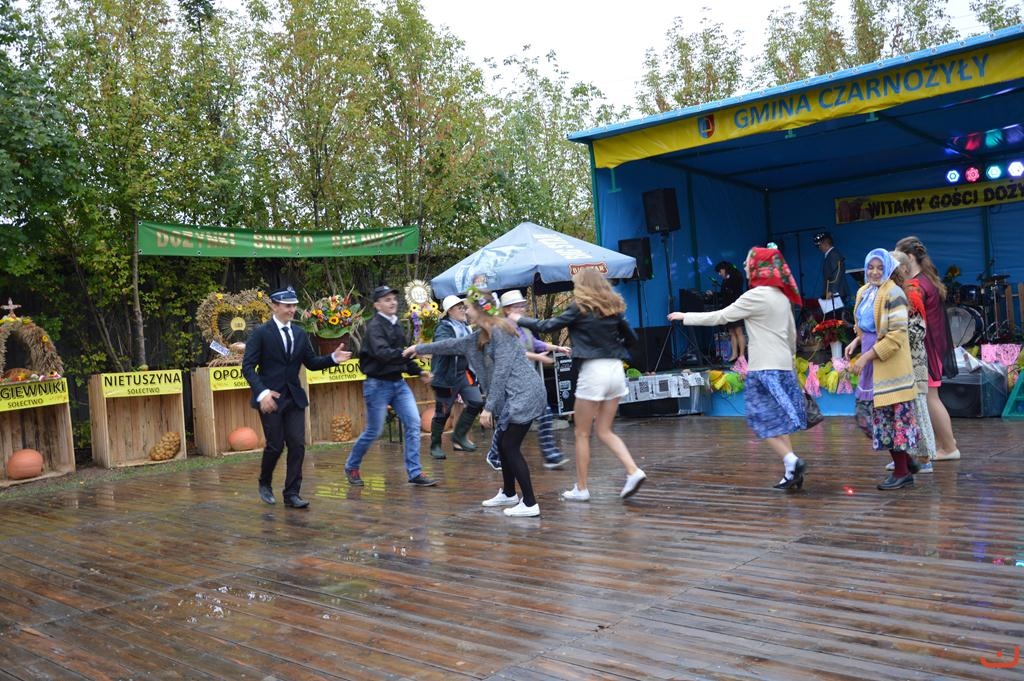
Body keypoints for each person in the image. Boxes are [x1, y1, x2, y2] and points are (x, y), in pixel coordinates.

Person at [669, 246, 808, 491]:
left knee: (759, 419)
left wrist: (685, 316)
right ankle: (790, 472)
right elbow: (791, 335)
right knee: (778, 422)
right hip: (783, 366)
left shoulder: (755, 296)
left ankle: (791, 460)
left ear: (759, 268)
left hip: (763, 367)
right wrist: (790, 362)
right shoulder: (782, 297)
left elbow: (721, 316)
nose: (744, 266)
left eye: (747, 262)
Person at [405, 287, 547, 517]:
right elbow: (448, 345)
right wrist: (417, 348)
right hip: (512, 397)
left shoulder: (502, 332)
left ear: (481, 310)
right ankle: (509, 493)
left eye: (468, 307)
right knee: (503, 445)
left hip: (525, 394)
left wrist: (488, 408)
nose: (465, 311)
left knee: (509, 446)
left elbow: (501, 372)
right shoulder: (477, 337)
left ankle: (530, 503)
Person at [509, 268, 646, 502]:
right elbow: (632, 339)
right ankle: (633, 471)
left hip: (593, 371)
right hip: (615, 369)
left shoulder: (579, 307)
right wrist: (612, 346)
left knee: (582, 433)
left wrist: (518, 319)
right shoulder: (613, 309)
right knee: (604, 430)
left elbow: (546, 326)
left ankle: (581, 488)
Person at [243, 286, 352, 509]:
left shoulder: (300, 334)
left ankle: (292, 493)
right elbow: (247, 367)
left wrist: (332, 358)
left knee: (297, 445)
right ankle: (264, 481)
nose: (292, 310)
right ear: (274, 306)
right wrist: (262, 392)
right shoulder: (261, 333)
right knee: (275, 445)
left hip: (294, 398)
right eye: (287, 306)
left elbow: (311, 363)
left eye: (294, 306)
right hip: (270, 398)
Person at [344, 285, 438, 488]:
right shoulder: (374, 328)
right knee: (374, 431)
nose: (393, 302)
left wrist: (419, 371)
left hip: (398, 384)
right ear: (377, 305)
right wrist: (408, 353)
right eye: (387, 299)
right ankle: (351, 466)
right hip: (377, 385)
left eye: (394, 298)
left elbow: (403, 355)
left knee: (413, 423)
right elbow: (383, 353)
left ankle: (415, 472)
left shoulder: (396, 325)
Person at [845, 249, 920, 491]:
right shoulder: (864, 292)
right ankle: (905, 461)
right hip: (871, 360)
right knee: (867, 418)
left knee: (889, 418)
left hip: (888, 365)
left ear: (888, 268)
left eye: (879, 267)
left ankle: (902, 471)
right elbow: (865, 326)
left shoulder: (894, 293)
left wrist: (866, 357)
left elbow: (896, 336)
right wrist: (857, 341)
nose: (875, 272)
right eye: (871, 267)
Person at [481, 289, 571, 472]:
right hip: (511, 382)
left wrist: (557, 348)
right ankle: (494, 454)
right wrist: (540, 358)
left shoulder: (523, 326)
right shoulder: (502, 328)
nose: (522, 309)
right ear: (507, 309)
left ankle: (550, 455)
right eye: (517, 306)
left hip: (526, 381)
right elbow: (515, 352)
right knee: (507, 420)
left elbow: (535, 344)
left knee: (544, 413)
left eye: (523, 305)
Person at [895, 236, 959, 462]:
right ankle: (944, 443)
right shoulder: (926, 279)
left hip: (926, 350)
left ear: (909, 257)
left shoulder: (917, 286)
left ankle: (949, 447)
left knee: (931, 399)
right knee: (931, 397)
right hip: (932, 346)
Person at [889, 250, 936, 473]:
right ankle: (907, 456)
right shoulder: (893, 293)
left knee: (918, 410)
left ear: (903, 269)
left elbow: (919, 331)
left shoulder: (912, 293)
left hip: (913, 362)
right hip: (899, 361)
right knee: (905, 412)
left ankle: (925, 458)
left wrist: (893, 335)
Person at [427, 295, 483, 460]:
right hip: (446, 376)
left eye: (463, 307)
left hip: (463, 372)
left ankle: (458, 436)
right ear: (450, 311)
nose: (463, 310)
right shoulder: (443, 328)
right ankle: (435, 445)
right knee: (442, 412)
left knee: (476, 401)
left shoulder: (466, 327)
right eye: (459, 308)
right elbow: (444, 346)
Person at [714, 260, 745, 362]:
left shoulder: (736, 276)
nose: (719, 274)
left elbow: (735, 291)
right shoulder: (725, 280)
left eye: (720, 271)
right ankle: (734, 354)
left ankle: (741, 354)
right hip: (728, 308)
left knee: (738, 331)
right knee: (731, 332)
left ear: (724, 269)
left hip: (736, 307)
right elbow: (723, 293)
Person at [813, 231, 848, 320]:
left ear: (825, 243)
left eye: (820, 245)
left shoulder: (833, 254)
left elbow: (837, 273)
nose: (819, 247)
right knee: (833, 318)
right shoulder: (830, 255)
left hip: (836, 293)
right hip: (834, 292)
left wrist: (832, 291)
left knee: (837, 319)